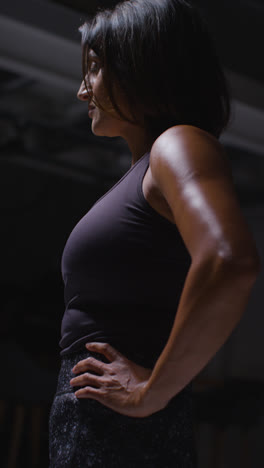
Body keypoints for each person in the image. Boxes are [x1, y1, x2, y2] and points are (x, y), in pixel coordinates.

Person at [48, 1, 261, 467]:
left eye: (96, 69)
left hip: (121, 434)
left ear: (140, 66)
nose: (83, 91)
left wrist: (151, 393)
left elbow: (231, 260)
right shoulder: (147, 166)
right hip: (101, 430)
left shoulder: (178, 143)